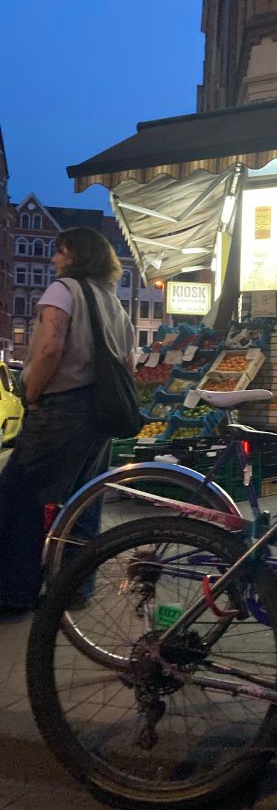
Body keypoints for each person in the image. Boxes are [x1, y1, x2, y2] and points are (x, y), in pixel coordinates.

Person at [0, 227, 136, 615]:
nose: (54, 259)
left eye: (60, 252)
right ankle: (75, 590)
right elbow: (129, 365)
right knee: (83, 503)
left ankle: (14, 593)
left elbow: (49, 347)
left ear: (76, 255)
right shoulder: (115, 305)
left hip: (62, 410)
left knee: (16, 498)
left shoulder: (64, 291)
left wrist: (30, 393)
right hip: (102, 415)